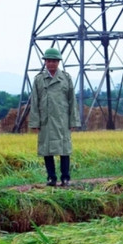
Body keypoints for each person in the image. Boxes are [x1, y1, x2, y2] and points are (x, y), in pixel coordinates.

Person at [29, 48, 80, 186]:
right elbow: (34, 101)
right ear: (45, 62)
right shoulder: (39, 79)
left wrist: (73, 120)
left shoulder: (66, 78)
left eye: (54, 61)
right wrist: (35, 122)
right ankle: (51, 177)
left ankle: (65, 177)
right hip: (46, 120)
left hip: (62, 120)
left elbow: (72, 100)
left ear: (58, 62)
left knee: (64, 149)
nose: (51, 64)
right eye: (49, 61)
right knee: (47, 149)